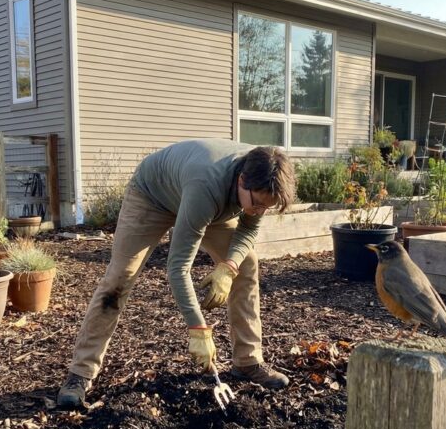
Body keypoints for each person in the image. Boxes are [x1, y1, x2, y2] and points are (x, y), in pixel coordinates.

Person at [57, 138, 296, 408]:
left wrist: (229, 268)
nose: (259, 211)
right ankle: (80, 372)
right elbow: (178, 266)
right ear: (242, 181)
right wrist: (198, 330)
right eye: (258, 204)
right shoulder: (209, 184)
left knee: (246, 264)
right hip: (152, 197)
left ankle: (248, 361)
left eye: (267, 207)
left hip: (207, 205)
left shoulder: (263, 180)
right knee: (120, 277)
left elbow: (249, 229)